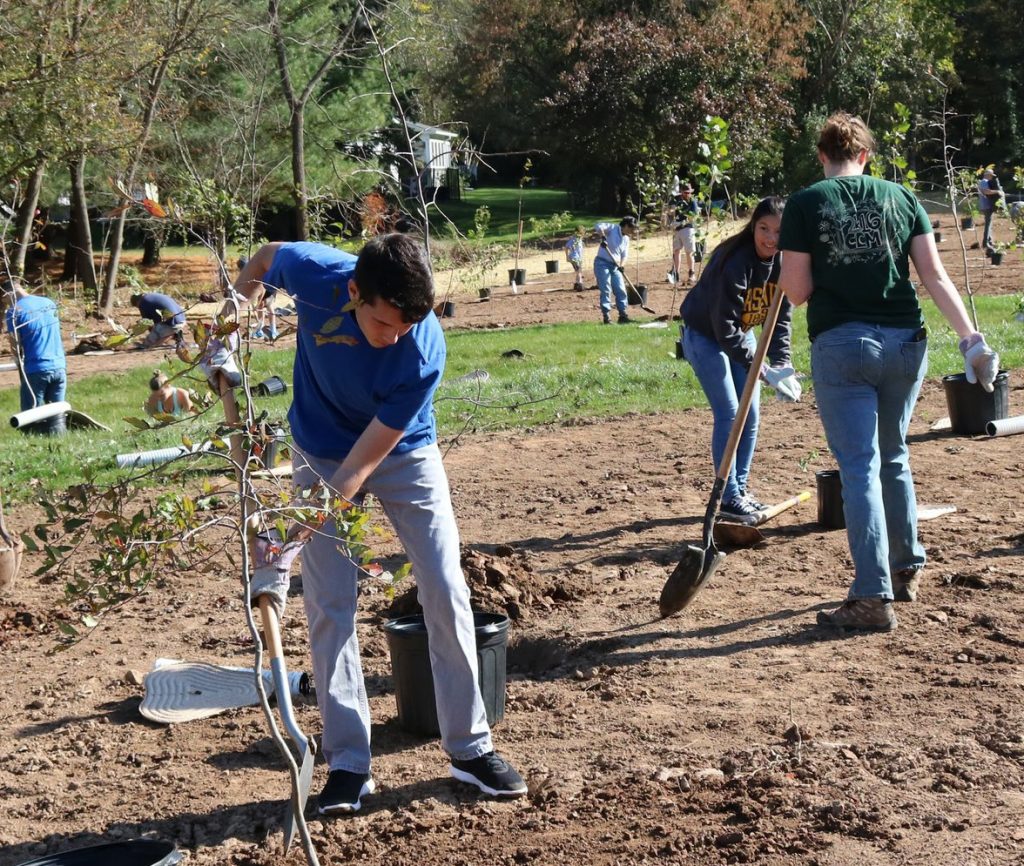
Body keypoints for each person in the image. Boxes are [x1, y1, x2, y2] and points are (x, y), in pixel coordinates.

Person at [225, 234, 527, 814]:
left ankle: (469, 747)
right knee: (330, 602)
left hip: (400, 453)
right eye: (384, 324)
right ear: (354, 290)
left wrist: (291, 539)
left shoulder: (421, 349)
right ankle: (348, 763)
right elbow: (266, 257)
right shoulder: (317, 275)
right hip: (320, 446)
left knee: (443, 585)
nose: (394, 337)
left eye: (407, 326)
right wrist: (232, 317)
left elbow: (363, 463)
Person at [778, 111, 999, 632]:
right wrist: (972, 341)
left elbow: (797, 292)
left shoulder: (807, 203)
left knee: (858, 466)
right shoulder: (901, 198)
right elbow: (935, 275)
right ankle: (905, 569)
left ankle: (872, 596)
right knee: (894, 455)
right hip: (905, 343)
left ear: (822, 156)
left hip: (842, 345)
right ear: (865, 156)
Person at [680, 196, 797, 526]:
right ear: (753, 226)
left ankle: (739, 491)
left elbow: (780, 319)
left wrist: (782, 365)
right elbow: (723, 328)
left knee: (752, 413)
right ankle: (727, 496)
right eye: (763, 228)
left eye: (778, 231)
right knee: (731, 413)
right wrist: (761, 369)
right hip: (706, 335)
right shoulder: (735, 261)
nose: (770, 238)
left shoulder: (783, 263)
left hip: (740, 334)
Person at [3, 279, 67, 435]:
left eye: (3, 299)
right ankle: (59, 443)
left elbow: (15, 344)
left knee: (30, 418)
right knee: (57, 417)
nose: (5, 303)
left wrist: (18, 362)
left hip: (35, 369)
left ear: (8, 294)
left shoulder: (15, 311)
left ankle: (31, 446)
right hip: (59, 366)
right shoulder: (48, 303)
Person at [593, 215, 639, 324]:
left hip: (615, 266)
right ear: (626, 226)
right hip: (602, 263)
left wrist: (622, 266)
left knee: (621, 289)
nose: (633, 231)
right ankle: (606, 316)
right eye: (632, 228)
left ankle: (623, 315)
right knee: (606, 289)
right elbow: (598, 225)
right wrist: (603, 237)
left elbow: (625, 255)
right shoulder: (612, 228)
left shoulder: (626, 239)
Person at [669, 183, 700, 284]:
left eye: (689, 192)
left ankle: (692, 273)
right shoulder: (676, 200)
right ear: (681, 192)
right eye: (685, 192)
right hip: (677, 230)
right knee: (676, 251)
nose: (687, 194)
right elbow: (670, 211)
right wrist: (671, 221)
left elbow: (693, 216)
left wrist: (682, 222)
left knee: (689, 251)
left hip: (688, 228)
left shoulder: (692, 201)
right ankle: (675, 273)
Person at [978, 168, 1003, 253]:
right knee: (988, 224)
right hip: (986, 205)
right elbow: (986, 192)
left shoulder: (984, 182)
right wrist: (997, 191)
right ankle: (985, 243)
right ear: (987, 175)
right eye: (991, 176)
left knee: (989, 224)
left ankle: (989, 241)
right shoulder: (984, 181)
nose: (991, 177)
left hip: (986, 205)